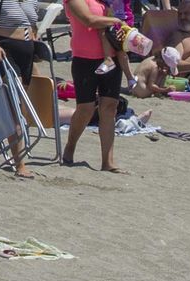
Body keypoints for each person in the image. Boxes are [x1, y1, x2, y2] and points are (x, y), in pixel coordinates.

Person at [0, 0, 55, 176]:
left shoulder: (31, 1)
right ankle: (20, 165)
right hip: (5, 51)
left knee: (14, 107)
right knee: (16, 107)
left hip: (26, 54)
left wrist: (36, 44)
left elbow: (32, 26)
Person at [61, 0, 125, 172]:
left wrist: (121, 31)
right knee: (86, 108)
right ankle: (70, 146)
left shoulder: (105, 1)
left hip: (111, 57)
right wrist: (117, 21)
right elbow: (89, 20)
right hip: (84, 58)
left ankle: (108, 162)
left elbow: (112, 26)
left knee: (110, 107)